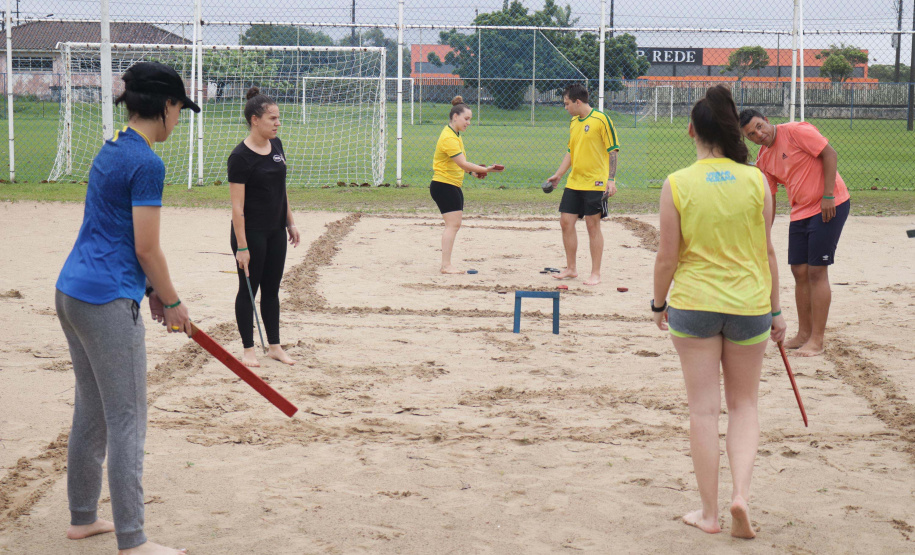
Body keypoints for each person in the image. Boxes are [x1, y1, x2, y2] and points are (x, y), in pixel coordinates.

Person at [55, 61, 198, 555]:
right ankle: (134, 541)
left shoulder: (112, 146)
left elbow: (114, 231)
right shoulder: (148, 163)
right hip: (105, 299)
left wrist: (153, 291)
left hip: (72, 290)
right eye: (180, 108)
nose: (180, 118)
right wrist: (173, 300)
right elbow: (146, 248)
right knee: (127, 418)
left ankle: (82, 519)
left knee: (92, 409)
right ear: (165, 105)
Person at [652, 86, 787, 540]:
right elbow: (767, 253)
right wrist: (777, 312)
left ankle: (710, 513)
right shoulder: (756, 181)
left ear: (691, 130)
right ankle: (741, 496)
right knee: (745, 405)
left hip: (694, 305)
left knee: (703, 411)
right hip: (750, 305)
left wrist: (657, 303)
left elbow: (666, 257)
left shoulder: (677, 183)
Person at [739, 109, 850, 357]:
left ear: (766, 120)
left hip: (830, 205)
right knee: (799, 271)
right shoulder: (764, 159)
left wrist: (828, 195)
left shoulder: (797, 131)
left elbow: (830, 154)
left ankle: (817, 340)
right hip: (800, 212)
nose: (759, 135)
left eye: (759, 127)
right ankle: (803, 334)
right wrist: (763, 234)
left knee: (816, 271)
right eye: (751, 135)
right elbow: (769, 199)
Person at [228, 86, 301, 367]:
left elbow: (280, 190)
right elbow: (237, 207)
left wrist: (290, 222)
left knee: (272, 290)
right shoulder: (239, 157)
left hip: (275, 231)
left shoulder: (277, 145)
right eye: (272, 118)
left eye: (278, 118)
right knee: (249, 290)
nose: (277, 123)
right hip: (251, 234)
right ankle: (248, 350)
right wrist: (242, 247)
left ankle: (274, 346)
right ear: (255, 120)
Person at [546, 83, 619, 286]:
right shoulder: (574, 122)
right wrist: (559, 175)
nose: (565, 107)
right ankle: (571, 269)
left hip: (595, 183)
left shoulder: (601, 120)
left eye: (567, 103)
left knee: (592, 225)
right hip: (574, 182)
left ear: (578, 102)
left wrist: (611, 180)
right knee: (565, 222)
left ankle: (595, 273)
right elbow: (571, 151)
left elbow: (613, 151)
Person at [429, 95, 502, 274]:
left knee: (454, 225)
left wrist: (473, 172)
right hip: (444, 185)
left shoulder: (455, 134)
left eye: (470, 119)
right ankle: (446, 266)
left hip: (450, 184)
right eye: (466, 119)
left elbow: (458, 164)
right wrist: (488, 169)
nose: (468, 122)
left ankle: (446, 264)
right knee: (452, 225)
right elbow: (463, 163)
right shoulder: (449, 138)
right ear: (455, 117)